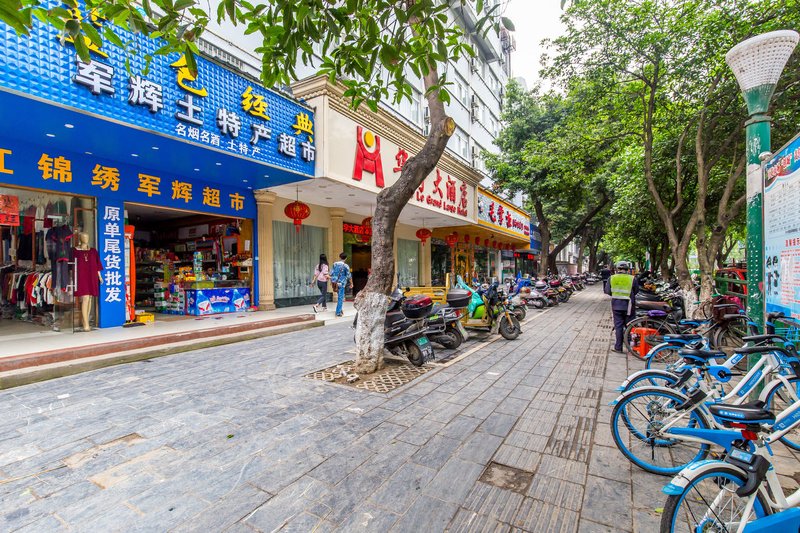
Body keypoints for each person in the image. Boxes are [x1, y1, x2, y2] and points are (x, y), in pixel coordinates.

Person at [605, 261, 638, 353]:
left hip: (616, 305)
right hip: (629, 306)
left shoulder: (612, 278)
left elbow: (607, 291)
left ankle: (618, 347)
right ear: (627, 269)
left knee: (618, 326)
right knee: (630, 326)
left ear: (617, 269)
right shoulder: (632, 278)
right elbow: (636, 291)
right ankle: (631, 346)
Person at [330, 252, 352, 317]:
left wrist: (332, 281)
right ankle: (338, 312)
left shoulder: (335, 264)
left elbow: (331, 273)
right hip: (341, 284)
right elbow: (349, 276)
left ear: (339, 257)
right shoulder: (346, 266)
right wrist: (351, 283)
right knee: (340, 297)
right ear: (346, 258)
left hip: (335, 283)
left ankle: (339, 309)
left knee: (339, 296)